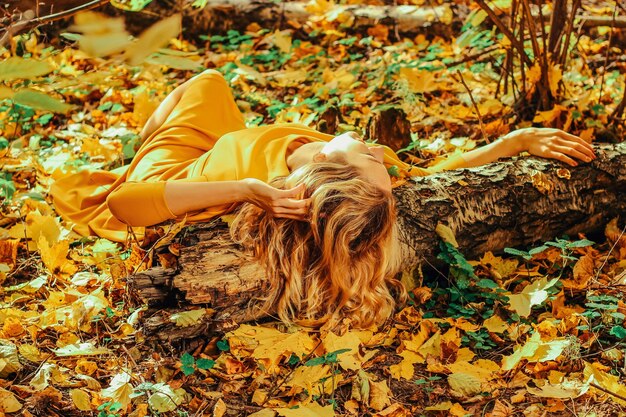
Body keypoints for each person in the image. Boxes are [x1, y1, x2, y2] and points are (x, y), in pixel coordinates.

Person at [50, 69, 596, 327]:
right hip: (229, 139)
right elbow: (433, 173)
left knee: (207, 84)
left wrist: (241, 188)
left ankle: (139, 142)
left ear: (328, 167)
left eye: (370, 159)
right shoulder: (351, 179)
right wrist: (511, 143)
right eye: (377, 160)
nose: (383, 156)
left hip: (178, 169)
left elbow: (126, 204)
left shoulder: (260, 184)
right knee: (214, 84)